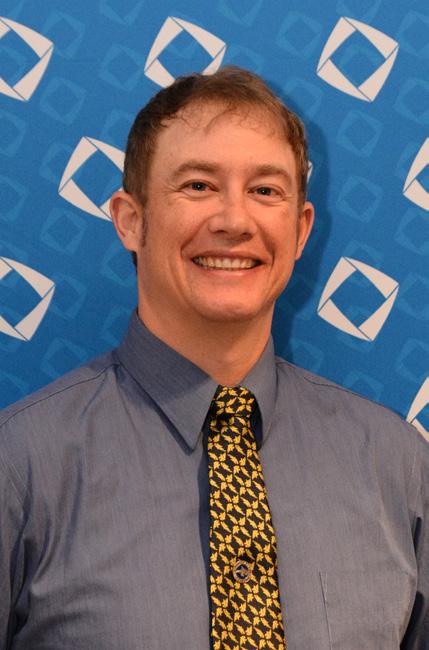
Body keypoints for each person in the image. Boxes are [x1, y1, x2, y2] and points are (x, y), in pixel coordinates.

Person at [0, 66, 427, 650]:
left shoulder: (397, 466)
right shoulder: (19, 466)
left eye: (265, 190)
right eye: (198, 185)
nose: (234, 220)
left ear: (301, 231)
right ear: (130, 220)